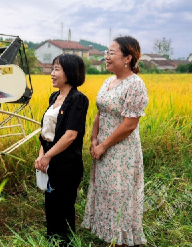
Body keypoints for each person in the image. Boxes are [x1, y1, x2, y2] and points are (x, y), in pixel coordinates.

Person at [81, 36, 148, 247]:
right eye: (106, 53)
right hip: (102, 148)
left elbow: (129, 124)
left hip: (121, 152)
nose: (106, 57)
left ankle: (121, 241)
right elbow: (99, 113)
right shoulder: (108, 81)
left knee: (120, 197)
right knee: (106, 195)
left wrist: (103, 145)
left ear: (128, 58)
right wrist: (93, 139)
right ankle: (110, 238)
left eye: (111, 53)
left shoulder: (135, 84)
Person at [35, 53, 89, 246]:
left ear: (70, 73)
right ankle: (52, 241)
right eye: (52, 68)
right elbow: (46, 132)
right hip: (50, 159)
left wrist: (48, 156)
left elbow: (70, 135)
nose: (52, 73)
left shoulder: (78, 99)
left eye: (57, 69)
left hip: (66, 163)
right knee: (51, 205)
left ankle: (66, 243)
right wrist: (42, 156)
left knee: (64, 208)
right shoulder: (54, 96)